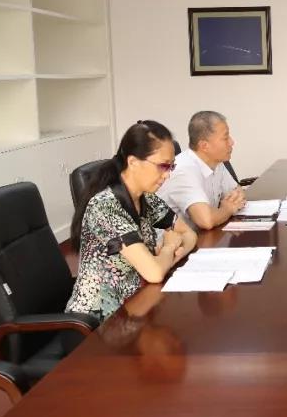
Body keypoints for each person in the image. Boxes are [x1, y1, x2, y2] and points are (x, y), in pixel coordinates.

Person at [67, 120, 197, 320]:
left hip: (137, 304)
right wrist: (169, 248)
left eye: (171, 166)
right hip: (100, 321)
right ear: (133, 162)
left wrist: (169, 257)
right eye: (162, 166)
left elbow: (189, 234)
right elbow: (154, 273)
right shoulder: (106, 206)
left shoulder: (147, 198)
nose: (167, 175)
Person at [157, 110, 246, 230]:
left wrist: (228, 206)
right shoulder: (183, 169)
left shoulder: (216, 162)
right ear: (204, 146)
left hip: (201, 236)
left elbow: (238, 192)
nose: (232, 142)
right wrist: (227, 209)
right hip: (175, 240)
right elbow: (206, 221)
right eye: (225, 138)